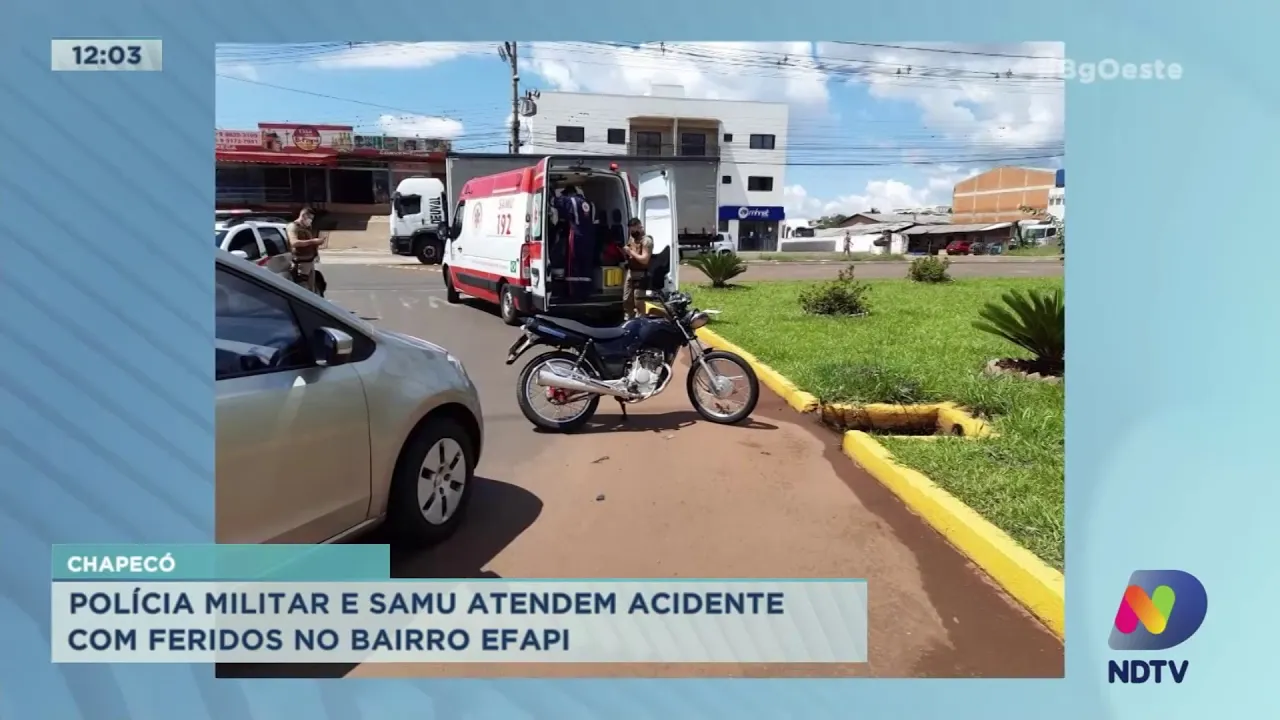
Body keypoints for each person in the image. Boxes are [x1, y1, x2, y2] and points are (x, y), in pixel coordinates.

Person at [551, 186, 598, 301]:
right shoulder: (590, 204)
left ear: (569, 193)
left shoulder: (570, 200)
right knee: (586, 264)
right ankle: (585, 291)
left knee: (572, 264)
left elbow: (555, 203)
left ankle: (572, 292)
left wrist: (552, 192)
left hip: (576, 236)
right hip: (590, 237)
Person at [286, 207, 324, 292]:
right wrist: (313, 241)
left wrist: (316, 251)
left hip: (309, 262)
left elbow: (309, 242)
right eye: (309, 218)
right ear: (303, 216)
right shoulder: (293, 227)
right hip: (301, 264)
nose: (310, 221)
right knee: (302, 289)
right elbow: (294, 243)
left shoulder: (306, 228)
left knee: (311, 289)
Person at [622, 217, 653, 320]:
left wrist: (631, 252)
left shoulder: (646, 241)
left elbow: (645, 259)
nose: (632, 233)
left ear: (640, 227)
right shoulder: (632, 239)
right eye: (631, 231)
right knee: (627, 299)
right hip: (631, 272)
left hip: (641, 274)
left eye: (634, 230)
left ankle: (641, 321)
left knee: (638, 300)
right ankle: (629, 319)